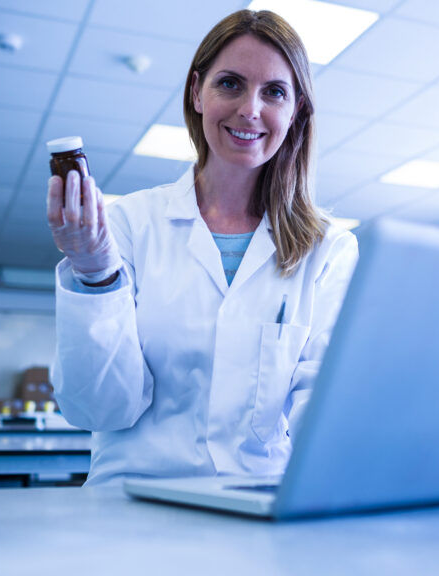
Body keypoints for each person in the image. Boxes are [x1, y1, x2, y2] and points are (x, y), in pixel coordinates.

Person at [46, 10, 358, 486]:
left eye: (274, 92)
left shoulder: (328, 250)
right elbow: (98, 409)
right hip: (133, 508)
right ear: (197, 92)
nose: (250, 109)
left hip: (254, 510)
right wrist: (95, 273)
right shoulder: (128, 224)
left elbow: (326, 415)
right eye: (230, 84)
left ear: (295, 110)